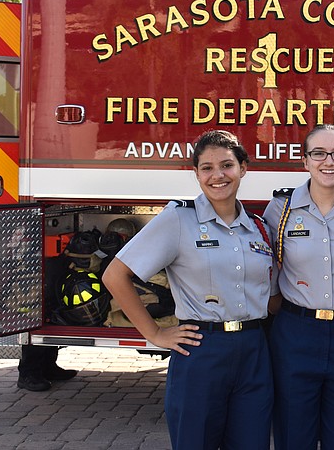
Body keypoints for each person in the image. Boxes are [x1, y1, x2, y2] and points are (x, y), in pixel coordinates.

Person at [103, 130, 276, 450]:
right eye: (207, 168)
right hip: (201, 349)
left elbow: (272, 293)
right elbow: (115, 275)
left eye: (227, 165)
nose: (217, 175)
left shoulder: (258, 227)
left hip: (254, 349)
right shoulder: (178, 219)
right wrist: (155, 333)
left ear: (243, 168)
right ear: (195, 173)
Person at [263, 124, 334, 450]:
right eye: (319, 153)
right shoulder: (281, 210)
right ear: (305, 160)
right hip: (295, 334)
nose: (329, 161)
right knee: (292, 433)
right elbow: (266, 262)